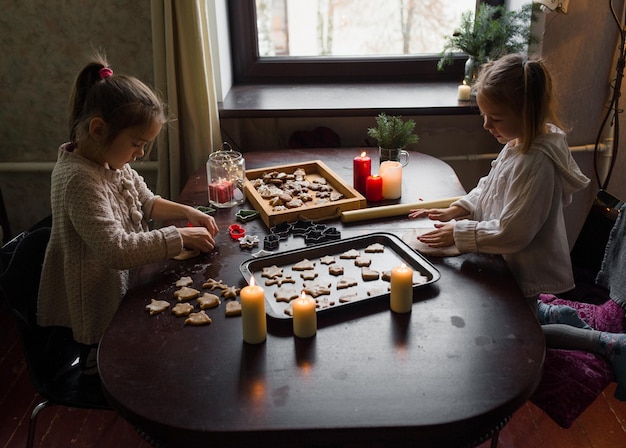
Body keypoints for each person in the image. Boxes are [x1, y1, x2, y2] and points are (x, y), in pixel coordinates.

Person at [408, 53, 626, 400]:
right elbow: (489, 186)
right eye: (483, 115)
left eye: (494, 118)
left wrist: (459, 234)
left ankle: (606, 343)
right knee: (526, 312)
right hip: (505, 261)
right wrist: (459, 208)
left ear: (528, 114)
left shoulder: (536, 162)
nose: (485, 126)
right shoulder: (518, 143)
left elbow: (513, 232)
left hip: (522, 266)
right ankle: (552, 311)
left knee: (523, 331)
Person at [37, 53, 219, 375]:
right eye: (137, 143)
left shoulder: (108, 161)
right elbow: (116, 250)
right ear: (98, 129)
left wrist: (189, 212)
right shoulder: (78, 179)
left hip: (124, 287)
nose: (142, 153)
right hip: (97, 304)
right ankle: (101, 374)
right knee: (131, 370)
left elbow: (146, 201)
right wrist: (179, 236)